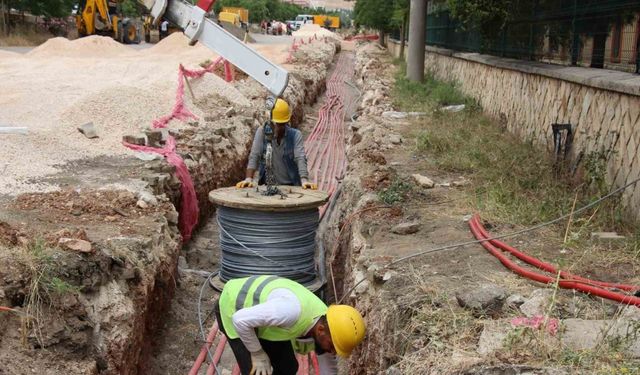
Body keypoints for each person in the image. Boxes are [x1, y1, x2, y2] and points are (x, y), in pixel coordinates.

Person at [214, 275, 366, 375]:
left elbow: (328, 365)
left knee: (288, 368)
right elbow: (240, 320)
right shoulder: (290, 312)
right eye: (333, 347)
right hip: (235, 307)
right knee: (258, 372)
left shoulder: (327, 322)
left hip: (263, 319)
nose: (333, 352)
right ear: (320, 330)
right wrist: (258, 353)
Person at [236, 98, 317, 189]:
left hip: (291, 185)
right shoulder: (262, 132)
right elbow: (255, 155)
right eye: (276, 124)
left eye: (282, 124)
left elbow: (300, 157)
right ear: (270, 121)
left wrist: (304, 180)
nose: (278, 128)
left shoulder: (295, 135)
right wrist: (248, 179)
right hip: (268, 185)